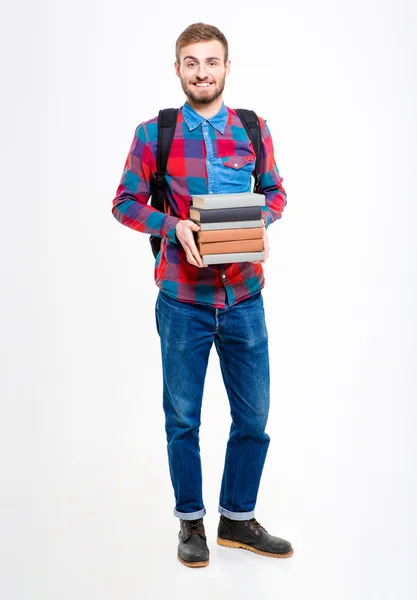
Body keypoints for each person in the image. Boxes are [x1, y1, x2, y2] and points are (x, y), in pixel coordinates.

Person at [111, 22, 294, 568]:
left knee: (254, 417)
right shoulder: (154, 135)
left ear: (227, 67)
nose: (202, 73)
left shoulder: (253, 128)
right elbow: (124, 202)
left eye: (211, 62)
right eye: (191, 63)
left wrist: (254, 226)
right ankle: (190, 522)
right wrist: (174, 227)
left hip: (244, 297)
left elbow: (277, 192)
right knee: (183, 417)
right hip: (182, 301)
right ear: (178, 70)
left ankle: (237, 519)